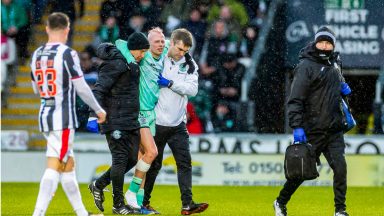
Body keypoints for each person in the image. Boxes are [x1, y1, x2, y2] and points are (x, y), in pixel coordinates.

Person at [30, 12, 106, 216]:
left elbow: (36, 88)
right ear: (67, 30)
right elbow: (81, 87)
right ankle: (38, 213)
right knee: (56, 165)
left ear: (47, 29)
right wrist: (98, 110)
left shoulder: (37, 54)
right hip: (62, 117)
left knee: (68, 164)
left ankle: (82, 213)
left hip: (45, 113)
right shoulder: (66, 53)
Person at [88, 27, 169, 214]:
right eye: (142, 51)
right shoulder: (117, 63)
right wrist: (94, 114)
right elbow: (99, 89)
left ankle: (99, 185)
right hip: (114, 119)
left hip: (131, 119)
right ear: (134, 49)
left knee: (132, 160)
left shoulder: (132, 64)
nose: (143, 55)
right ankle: (118, 205)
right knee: (121, 159)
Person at [273, 26, 351, 216]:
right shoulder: (305, 66)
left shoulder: (335, 63)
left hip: (334, 130)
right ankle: (280, 202)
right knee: (300, 173)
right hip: (311, 130)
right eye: (321, 42)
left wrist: (342, 88)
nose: (324, 46)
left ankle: (340, 210)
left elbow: (333, 89)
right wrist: (297, 127)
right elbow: (295, 99)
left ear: (333, 45)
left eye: (328, 43)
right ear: (315, 43)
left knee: (340, 169)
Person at [143, 28, 209, 215]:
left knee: (185, 163)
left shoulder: (190, 64)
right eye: (180, 49)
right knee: (153, 165)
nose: (182, 54)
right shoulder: (158, 57)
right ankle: (143, 203)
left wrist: (171, 83)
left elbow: (193, 90)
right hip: (157, 122)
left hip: (178, 124)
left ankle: (187, 204)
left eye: (186, 51)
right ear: (171, 43)